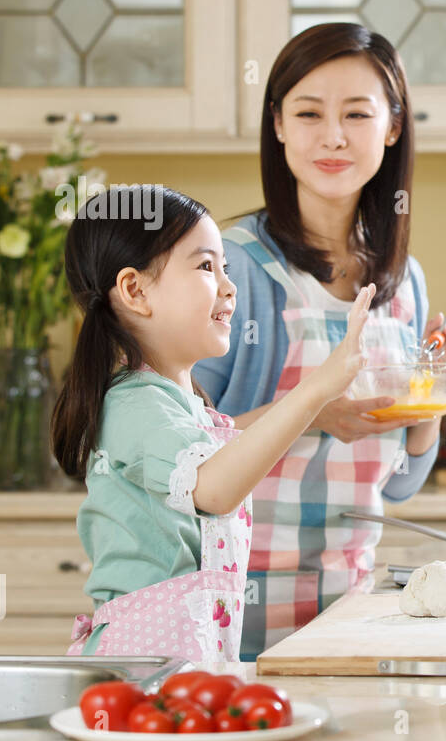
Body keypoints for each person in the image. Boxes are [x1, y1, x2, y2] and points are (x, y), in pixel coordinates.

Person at [192, 23, 446, 659]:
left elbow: (400, 485)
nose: (333, 136)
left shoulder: (403, 281)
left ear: (393, 126)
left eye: (357, 113)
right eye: (309, 112)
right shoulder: (229, 269)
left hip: (349, 606)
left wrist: (438, 391)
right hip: (227, 603)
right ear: (278, 126)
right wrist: (309, 411)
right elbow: (180, 460)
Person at [51, 186, 375, 662]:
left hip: (187, 657)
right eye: (206, 267)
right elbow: (215, 489)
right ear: (135, 291)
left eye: (225, 266)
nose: (229, 285)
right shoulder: (135, 403)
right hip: (140, 666)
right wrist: (317, 388)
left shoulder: (182, 403)